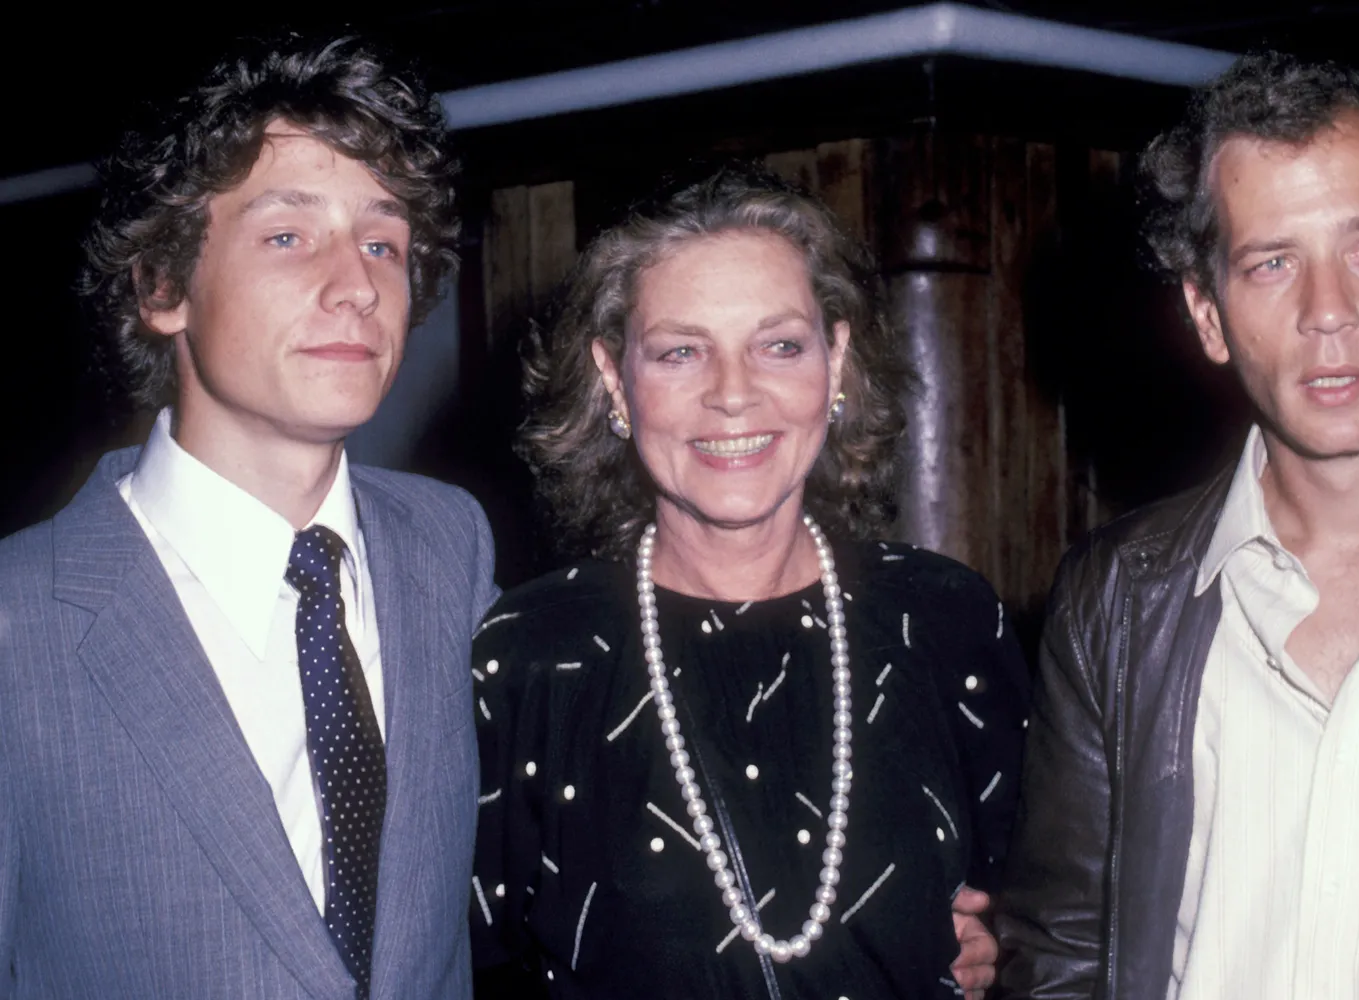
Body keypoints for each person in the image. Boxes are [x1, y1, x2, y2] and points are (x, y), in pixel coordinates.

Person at [0, 36, 499, 1000]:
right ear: (161, 286)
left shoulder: (452, 547)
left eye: (383, 242)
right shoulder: (19, 624)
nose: (357, 283)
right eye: (288, 235)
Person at [997, 52, 1359, 999]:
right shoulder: (1117, 600)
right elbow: (1059, 955)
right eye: (1272, 263)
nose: (1328, 312)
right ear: (1207, 315)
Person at [469, 166, 1029, 999]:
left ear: (834, 363)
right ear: (614, 381)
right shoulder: (527, 655)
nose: (733, 395)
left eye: (779, 345)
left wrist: (1001, 945)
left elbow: (1047, 914)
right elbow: (467, 960)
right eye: (681, 352)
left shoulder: (946, 619)